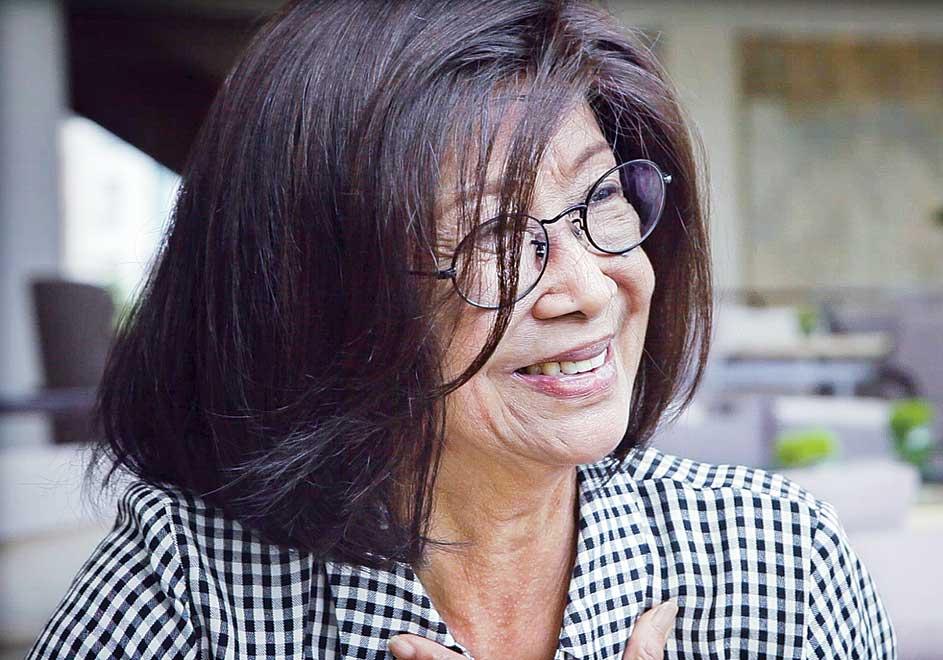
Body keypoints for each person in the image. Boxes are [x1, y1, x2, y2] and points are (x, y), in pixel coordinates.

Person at [28, 1, 895, 659]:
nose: (589, 288)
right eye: (493, 238)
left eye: (601, 198)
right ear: (322, 296)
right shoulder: (188, 591)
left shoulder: (775, 562)